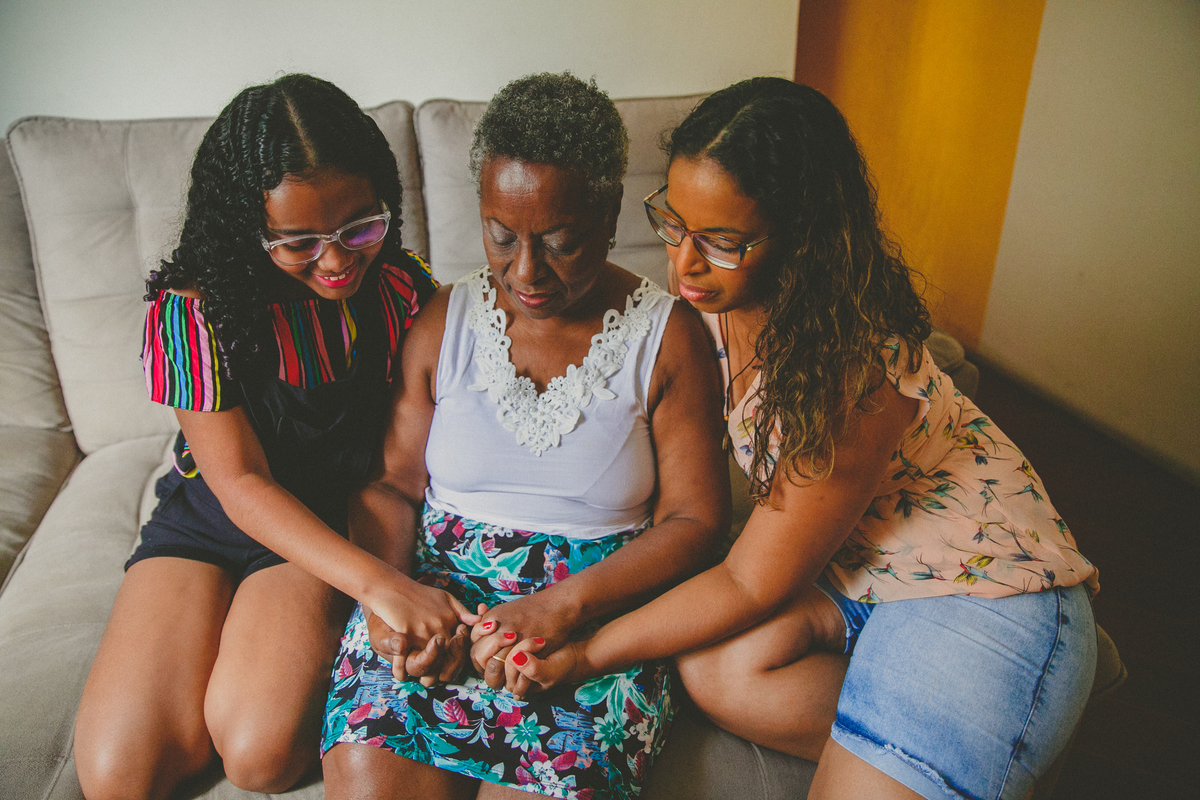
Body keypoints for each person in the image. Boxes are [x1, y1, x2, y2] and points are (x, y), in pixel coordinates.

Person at [508, 77, 1101, 800]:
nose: (684, 263)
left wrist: (585, 648)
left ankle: (1014, 701)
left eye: (721, 242)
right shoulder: (709, 311)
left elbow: (749, 580)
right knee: (714, 671)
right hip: (849, 572)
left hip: (973, 586)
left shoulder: (853, 371)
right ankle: (987, 743)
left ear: (801, 233)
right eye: (673, 223)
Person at [319, 72, 728, 800]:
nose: (526, 271)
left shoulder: (666, 337)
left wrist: (565, 607)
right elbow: (390, 484)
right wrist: (392, 601)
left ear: (607, 218)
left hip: (590, 623)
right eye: (502, 237)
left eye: (562, 242)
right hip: (442, 606)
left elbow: (696, 520)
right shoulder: (444, 319)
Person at [72, 74, 471, 800]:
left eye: (361, 228)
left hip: (324, 523)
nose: (338, 260)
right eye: (298, 243)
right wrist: (383, 586)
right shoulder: (192, 312)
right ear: (245, 228)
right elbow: (240, 484)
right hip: (211, 518)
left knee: (260, 757)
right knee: (115, 775)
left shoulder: (402, 289)